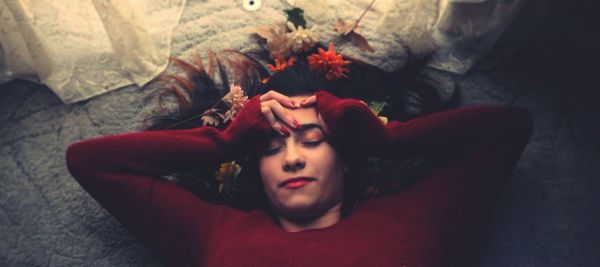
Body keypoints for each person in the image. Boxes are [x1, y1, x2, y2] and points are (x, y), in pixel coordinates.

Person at [65, 43, 533, 266]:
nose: (291, 157)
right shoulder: (213, 231)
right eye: (271, 147)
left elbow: (508, 129)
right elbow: (90, 162)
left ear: (346, 158)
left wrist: (382, 138)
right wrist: (227, 139)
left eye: (312, 140)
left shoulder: (412, 218)